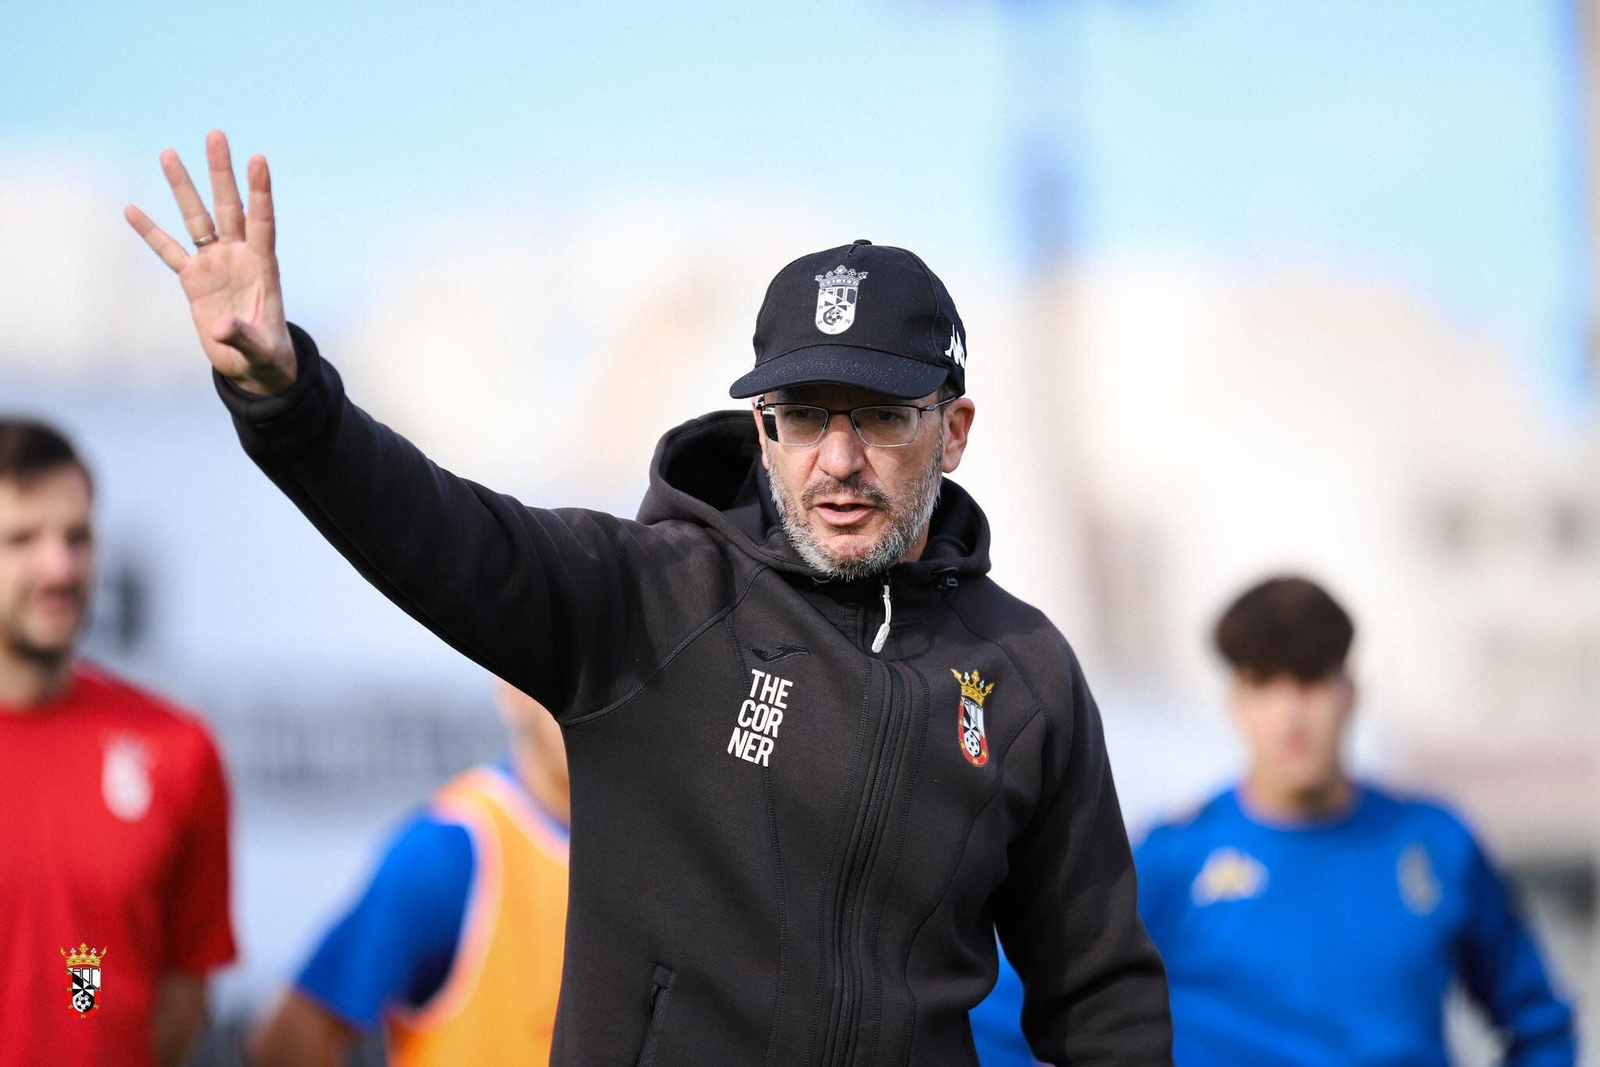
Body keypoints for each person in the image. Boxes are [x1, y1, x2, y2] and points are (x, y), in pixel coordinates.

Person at [126, 130, 1171, 1065]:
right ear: (763, 432)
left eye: (881, 416)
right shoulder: (648, 599)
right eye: (806, 415)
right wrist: (285, 399)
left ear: (953, 429)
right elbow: (429, 527)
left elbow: (1100, 997)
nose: (839, 459)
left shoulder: (1024, 672)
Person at [1134, 575, 1576, 1066]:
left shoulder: (1433, 844)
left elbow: (1539, 1023)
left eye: (1310, 680)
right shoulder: (1169, 860)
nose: (1291, 713)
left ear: (1351, 692)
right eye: (1265, 684)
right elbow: (1041, 1021)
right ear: (1235, 702)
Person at [0, 418, 236, 1067]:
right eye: (22, 538)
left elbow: (182, 982)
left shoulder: (176, 749)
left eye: (76, 537)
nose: (59, 566)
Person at [247, 682, 570, 1066]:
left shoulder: (654, 846)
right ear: (513, 692)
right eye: (579, 676)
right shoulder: (453, 850)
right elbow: (289, 1039)